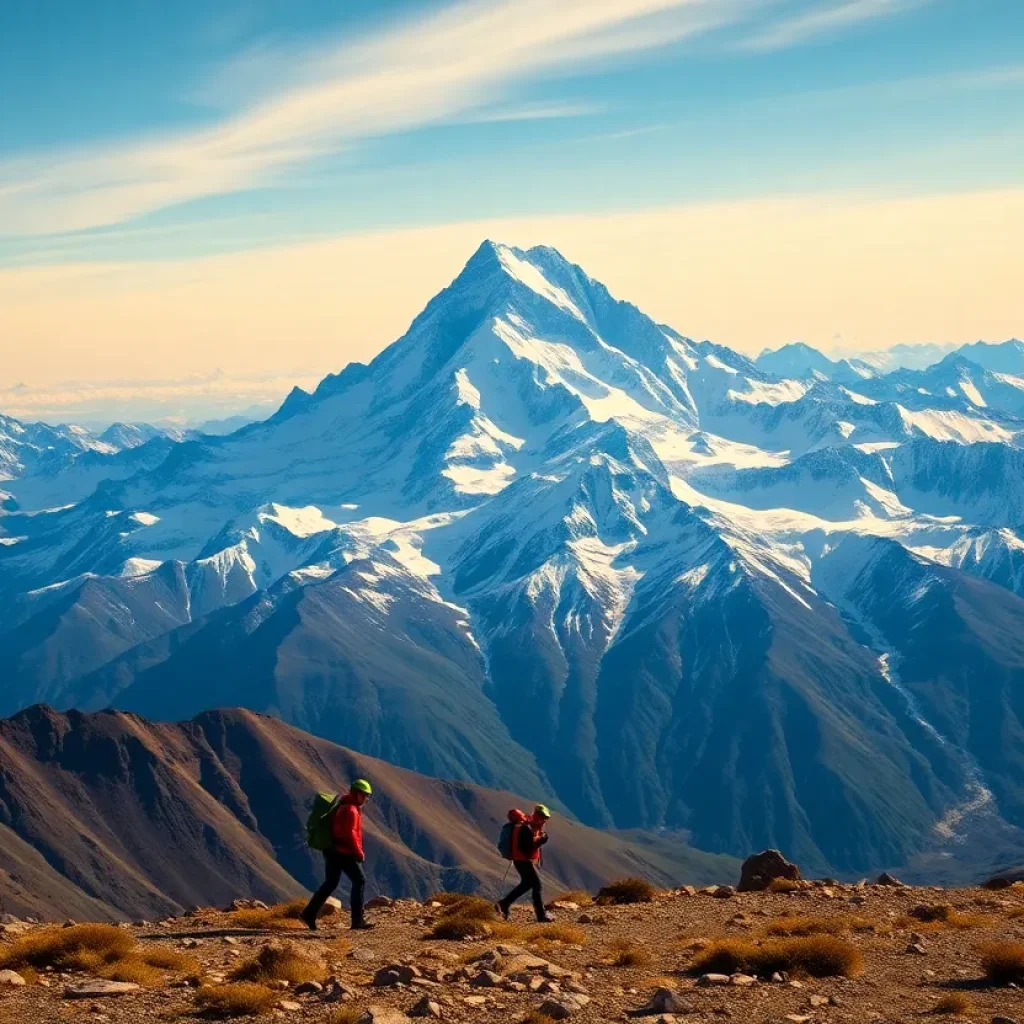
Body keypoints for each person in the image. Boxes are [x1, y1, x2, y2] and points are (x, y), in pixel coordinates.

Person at [301, 779, 374, 931]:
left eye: (367, 796)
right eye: (364, 795)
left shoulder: (343, 805)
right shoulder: (351, 810)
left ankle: (309, 913)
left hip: (332, 850)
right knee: (359, 880)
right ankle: (357, 920)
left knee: (331, 883)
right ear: (356, 793)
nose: (366, 798)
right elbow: (350, 833)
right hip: (344, 852)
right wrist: (358, 852)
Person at [496, 804, 554, 922]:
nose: (544, 820)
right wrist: (542, 839)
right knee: (536, 885)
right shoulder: (525, 828)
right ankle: (541, 915)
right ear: (537, 814)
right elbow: (529, 847)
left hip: (519, 860)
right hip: (523, 860)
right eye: (542, 816)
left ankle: (504, 903)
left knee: (527, 884)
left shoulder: (525, 826)